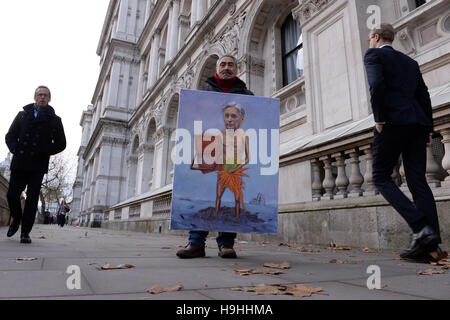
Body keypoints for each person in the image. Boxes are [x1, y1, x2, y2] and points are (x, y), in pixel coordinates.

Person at [364, 23, 443, 261]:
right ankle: (432, 247)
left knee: (380, 177)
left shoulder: (373, 54)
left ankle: (421, 228)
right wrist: (428, 129)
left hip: (390, 123)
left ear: (376, 37)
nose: (369, 41)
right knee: (418, 180)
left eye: (370, 38)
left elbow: (376, 85)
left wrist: (379, 118)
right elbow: (424, 95)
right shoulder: (411, 62)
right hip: (417, 124)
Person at [177, 54, 254, 259]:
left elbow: (255, 125)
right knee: (203, 195)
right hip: (209, 151)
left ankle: (226, 244)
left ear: (236, 69)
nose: (226, 67)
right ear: (216, 68)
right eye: (223, 64)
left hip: (232, 160)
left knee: (229, 199)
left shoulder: (248, 95)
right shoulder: (202, 92)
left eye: (230, 65)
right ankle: (195, 243)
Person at [5, 86, 66, 243]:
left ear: (49, 99)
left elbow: (61, 143)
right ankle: (16, 218)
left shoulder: (55, 120)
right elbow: (10, 136)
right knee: (11, 195)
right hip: (20, 162)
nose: (42, 97)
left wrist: (44, 150)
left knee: (32, 201)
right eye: (40, 95)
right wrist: (15, 149)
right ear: (35, 97)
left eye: (45, 95)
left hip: (37, 165)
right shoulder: (22, 115)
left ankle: (25, 232)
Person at [191, 102, 250, 218]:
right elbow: (210, 153)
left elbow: (248, 158)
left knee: (237, 198)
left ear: (241, 118)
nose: (229, 119)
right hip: (222, 172)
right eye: (226, 116)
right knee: (218, 196)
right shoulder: (219, 135)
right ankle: (216, 217)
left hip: (236, 173)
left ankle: (237, 219)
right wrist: (199, 156)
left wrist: (236, 169)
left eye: (233, 116)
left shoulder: (243, 136)